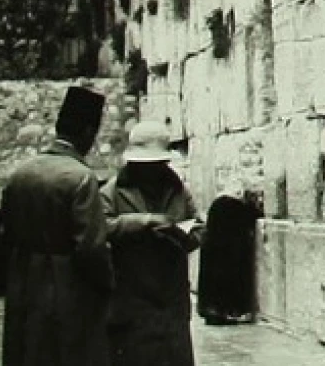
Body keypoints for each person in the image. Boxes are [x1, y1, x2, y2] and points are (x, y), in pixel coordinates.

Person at [1, 86, 114, 366]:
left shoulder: (20, 175)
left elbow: (6, 233)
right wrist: (108, 285)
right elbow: (91, 248)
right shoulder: (81, 178)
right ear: (88, 133)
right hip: (67, 289)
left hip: (24, 284)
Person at [101, 120, 205, 366]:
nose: (151, 170)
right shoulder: (112, 191)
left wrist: (182, 234)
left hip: (171, 295)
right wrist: (142, 222)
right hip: (132, 294)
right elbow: (100, 227)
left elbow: (199, 227)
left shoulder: (178, 189)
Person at [196, 189, 265, 325]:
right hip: (227, 228)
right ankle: (222, 309)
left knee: (215, 267)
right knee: (226, 267)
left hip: (218, 228)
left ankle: (214, 310)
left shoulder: (223, 206)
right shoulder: (237, 209)